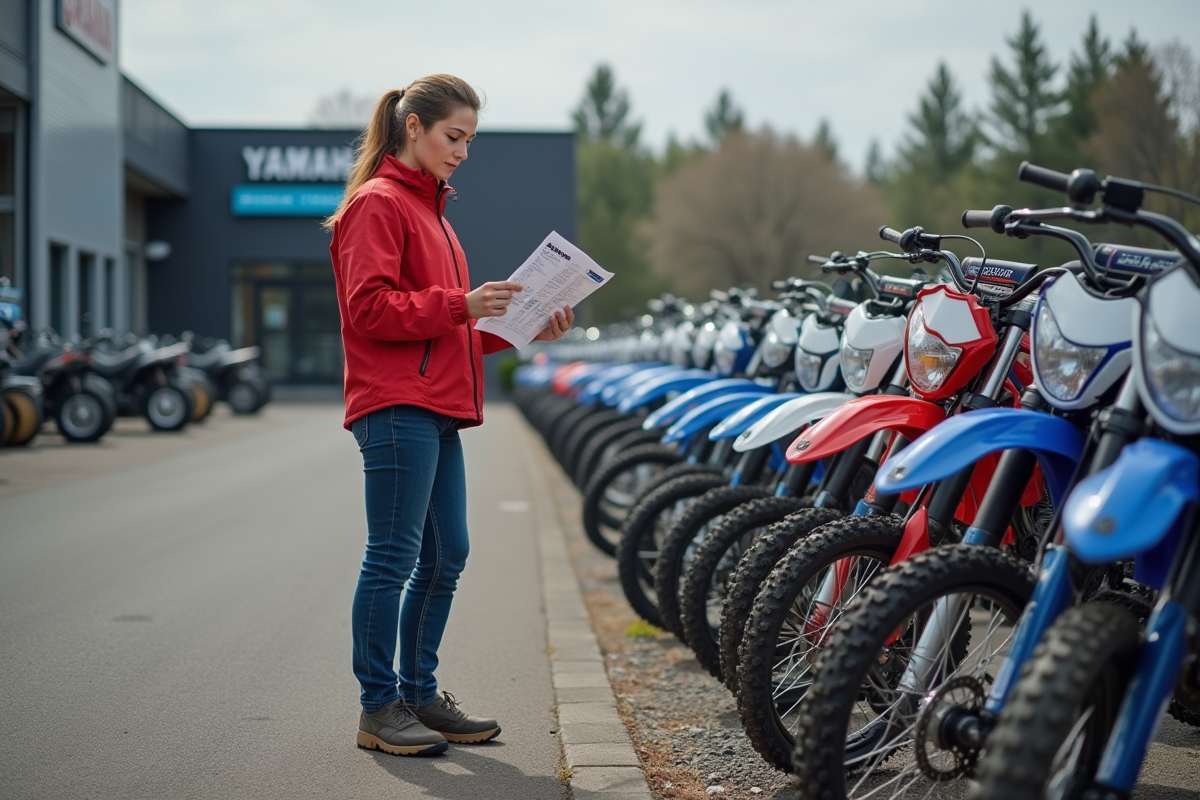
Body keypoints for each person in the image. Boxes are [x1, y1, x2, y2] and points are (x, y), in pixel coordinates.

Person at [326, 74, 574, 757]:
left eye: (470, 140)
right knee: (394, 556)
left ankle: (417, 692)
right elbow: (369, 310)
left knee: (448, 554)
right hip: (396, 405)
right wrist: (463, 304)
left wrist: (523, 329)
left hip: (435, 406)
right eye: (453, 136)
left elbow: (447, 327)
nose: (463, 151)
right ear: (414, 128)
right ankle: (379, 707)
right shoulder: (377, 206)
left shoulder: (434, 215)